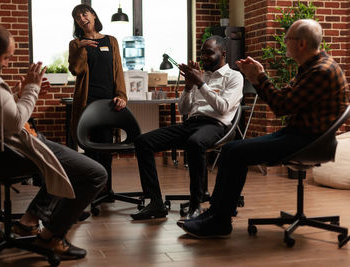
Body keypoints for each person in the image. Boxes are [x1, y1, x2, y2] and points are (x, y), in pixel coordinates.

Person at [179, 19, 349, 238]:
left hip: (307, 141)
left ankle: (219, 222)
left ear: (301, 44)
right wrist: (259, 75)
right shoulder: (311, 67)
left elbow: (280, 107)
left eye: (287, 39)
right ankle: (214, 214)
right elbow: (284, 98)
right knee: (233, 150)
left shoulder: (321, 71)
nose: (284, 43)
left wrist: (257, 78)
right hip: (299, 135)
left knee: (234, 152)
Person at [0, 24, 108, 260]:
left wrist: (18, 93)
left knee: (65, 162)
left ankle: (28, 221)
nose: (7, 63)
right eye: (6, 57)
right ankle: (51, 238)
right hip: (10, 151)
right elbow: (14, 122)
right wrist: (32, 89)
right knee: (95, 173)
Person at [130, 35, 243, 220]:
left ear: (223, 54)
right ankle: (156, 203)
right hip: (191, 123)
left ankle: (195, 205)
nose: (204, 57)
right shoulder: (201, 76)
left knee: (195, 142)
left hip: (217, 125)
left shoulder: (234, 77)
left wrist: (200, 83)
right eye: (202, 53)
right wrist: (189, 87)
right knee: (143, 142)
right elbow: (184, 109)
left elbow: (223, 107)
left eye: (209, 53)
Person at [68, 4, 127, 196]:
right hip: (87, 102)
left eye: (84, 13)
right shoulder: (76, 44)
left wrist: (121, 95)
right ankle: (92, 188)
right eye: (77, 17)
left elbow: (118, 71)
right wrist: (80, 49)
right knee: (90, 148)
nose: (82, 18)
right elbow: (76, 70)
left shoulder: (111, 41)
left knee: (106, 146)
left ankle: (106, 189)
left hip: (108, 102)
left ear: (93, 15)